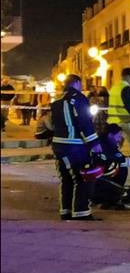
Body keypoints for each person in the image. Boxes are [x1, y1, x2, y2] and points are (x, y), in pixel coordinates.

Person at [50, 74, 102, 220]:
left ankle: (65, 211)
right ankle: (81, 212)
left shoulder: (57, 100)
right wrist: (94, 143)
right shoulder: (79, 98)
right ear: (77, 83)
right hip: (74, 145)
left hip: (59, 144)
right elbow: (85, 123)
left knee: (66, 178)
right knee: (82, 177)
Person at [91, 123, 130, 209]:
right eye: (118, 136)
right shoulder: (106, 146)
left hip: (95, 178)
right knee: (121, 168)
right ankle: (107, 198)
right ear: (110, 135)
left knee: (118, 168)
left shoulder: (104, 142)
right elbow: (122, 161)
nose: (120, 139)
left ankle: (106, 196)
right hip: (97, 180)